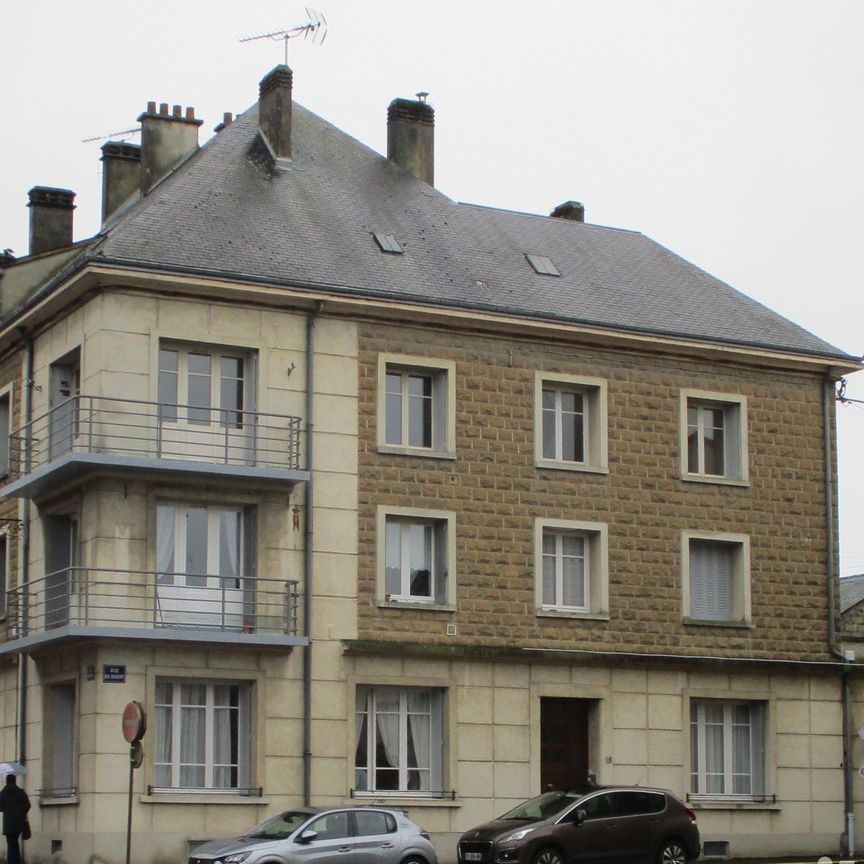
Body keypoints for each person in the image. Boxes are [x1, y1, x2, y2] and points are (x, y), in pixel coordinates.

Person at [0, 773, 31, 864]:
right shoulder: (21, 792)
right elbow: (28, 805)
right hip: (19, 823)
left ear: (7, 781)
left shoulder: (3, 793)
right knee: (15, 843)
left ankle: (12, 862)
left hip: (8, 823)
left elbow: (0, 807)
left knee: (11, 844)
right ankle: (16, 861)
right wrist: (22, 812)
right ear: (15, 781)